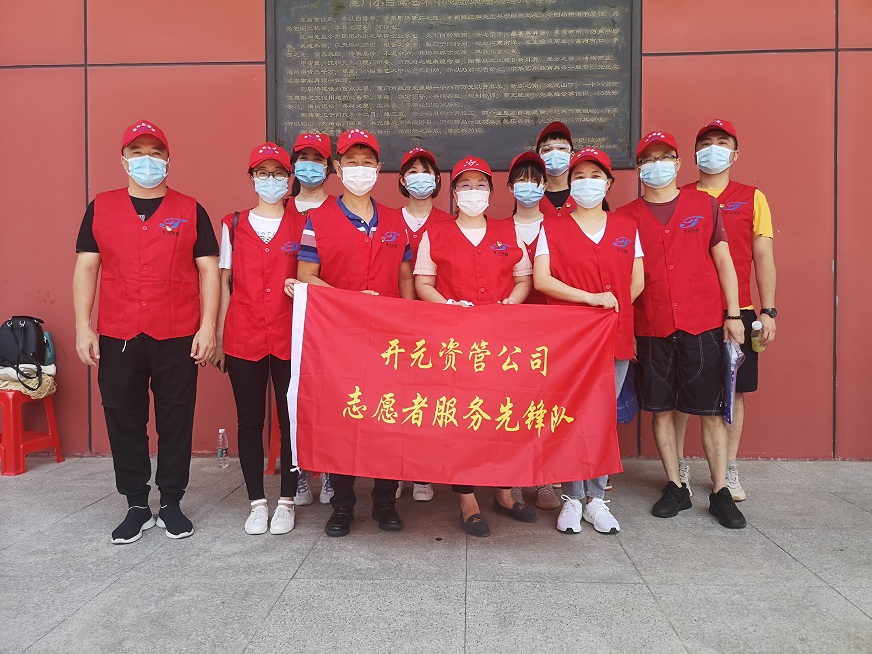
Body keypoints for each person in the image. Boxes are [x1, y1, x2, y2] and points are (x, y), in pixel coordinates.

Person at [73, 120, 219, 543]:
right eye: (137, 153)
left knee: (176, 419)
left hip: (176, 333)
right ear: (123, 161)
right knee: (123, 417)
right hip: (118, 333)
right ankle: (137, 503)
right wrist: (83, 326)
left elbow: (209, 270)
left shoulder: (190, 209)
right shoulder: (101, 207)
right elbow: (86, 268)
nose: (147, 161)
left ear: (168, 159)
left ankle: (171, 502)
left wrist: (208, 327)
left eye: (155, 153)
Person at [617, 130, 747, 529]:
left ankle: (720, 490)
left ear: (677, 163)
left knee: (710, 411)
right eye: (648, 159)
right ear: (639, 168)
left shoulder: (704, 205)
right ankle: (675, 485)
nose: (656, 165)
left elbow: (724, 262)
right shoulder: (625, 216)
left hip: (702, 323)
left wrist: (733, 315)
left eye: (664, 157)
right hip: (652, 324)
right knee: (660, 410)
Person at [295, 128, 414, 537]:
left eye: (367, 163)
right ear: (338, 167)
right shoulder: (318, 219)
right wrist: (350, 300)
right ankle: (343, 503)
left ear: (379, 169)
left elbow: (405, 278)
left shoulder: (396, 221)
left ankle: (385, 500)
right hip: (339, 337)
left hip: (389, 339)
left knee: (387, 415)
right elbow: (306, 276)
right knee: (343, 416)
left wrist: (410, 323)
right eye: (351, 162)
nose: (359, 169)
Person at [414, 155, 535, 537]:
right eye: (465, 185)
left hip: (501, 342)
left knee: (503, 412)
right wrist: (448, 306)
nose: (473, 192)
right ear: (453, 194)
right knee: (463, 418)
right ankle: (467, 498)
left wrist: (511, 304)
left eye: (480, 185)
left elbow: (524, 278)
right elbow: (423, 283)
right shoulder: (435, 234)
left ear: (491, 192)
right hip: (455, 342)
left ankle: (504, 491)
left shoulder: (508, 231)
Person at [533, 147, 644, 534]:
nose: (586, 183)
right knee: (569, 415)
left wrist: (610, 312)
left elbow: (637, 280)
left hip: (612, 337)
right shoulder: (553, 228)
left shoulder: (626, 228)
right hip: (570, 340)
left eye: (595, 176)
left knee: (602, 417)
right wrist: (591, 301)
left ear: (609, 183)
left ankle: (596, 499)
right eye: (579, 177)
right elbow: (542, 280)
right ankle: (571, 498)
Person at [672, 119, 777, 501]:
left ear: (734, 154)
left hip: (740, 311)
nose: (712, 149)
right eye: (705, 143)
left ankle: (729, 468)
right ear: (694, 153)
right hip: (690, 312)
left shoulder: (752, 197)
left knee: (735, 391)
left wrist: (768, 311)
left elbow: (763, 255)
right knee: (681, 389)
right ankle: (677, 466)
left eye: (721, 142)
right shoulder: (679, 196)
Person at [212, 143, 303, 535]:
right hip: (243, 334)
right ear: (251, 178)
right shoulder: (233, 224)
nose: (271, 180)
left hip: (288, 334)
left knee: (289, 419)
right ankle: (256, 503)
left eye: (278, 173)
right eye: (262, 173)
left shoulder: (302, 224)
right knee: (249, 421)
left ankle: (287, 502)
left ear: (288, 178)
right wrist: (219, 336)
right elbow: (224, 283)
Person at [394, 146, 454, 503]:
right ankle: (397, 469)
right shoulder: (388, 220)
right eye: (413, 172)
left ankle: (422, 472)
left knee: (429, 399)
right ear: (402, 180)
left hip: (437, 324)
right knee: (396, 397)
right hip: (394, 323)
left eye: (426, 171)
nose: (420, 178)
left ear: (437, 180)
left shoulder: (450, 223)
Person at [283, 132, 337, 508]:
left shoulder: (338, 210)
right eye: (303, 158)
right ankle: (299, 470)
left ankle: (330, 470)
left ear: (329, 167)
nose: (310, 166)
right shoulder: (278, 207)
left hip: (327, 322)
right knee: (294, 399)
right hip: (281, 321)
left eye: (318, 159)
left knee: (330, 397)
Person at [505, 151, 561, 510]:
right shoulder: (497, 229)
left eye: (535, 180)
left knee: (546, 403)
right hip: (510, 334)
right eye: (522, 180)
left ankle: (545, 478)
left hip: (554, 331)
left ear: (545, 185)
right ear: (510, 187)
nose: (529, 186)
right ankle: (511, 478)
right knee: (512, 404)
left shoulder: (561, 226)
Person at [535, 121, 577, 216]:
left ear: (572, 155)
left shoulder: (586, 191)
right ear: (539, 157)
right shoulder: (530, 195)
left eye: (561, 148)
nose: (554, 153)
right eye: (547, 150)